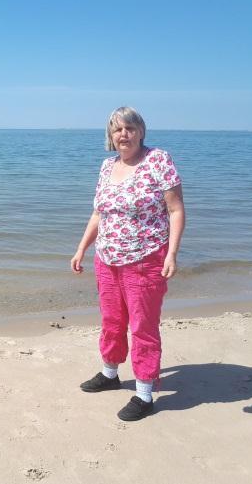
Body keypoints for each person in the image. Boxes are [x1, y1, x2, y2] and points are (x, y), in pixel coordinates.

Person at [70, 107, 185, 421]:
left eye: (130, 128)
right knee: (112, 320)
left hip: (145, 259)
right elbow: (98, 214)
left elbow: (175, 210)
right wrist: (81, 249)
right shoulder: (107, 166)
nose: (124, 134)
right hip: (107, 259)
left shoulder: (158, 160)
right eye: (117, 129)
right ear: (111, 135)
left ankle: (145, 393)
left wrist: (172, 253)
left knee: (143, 326)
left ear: (141, 131)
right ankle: (110, 374)